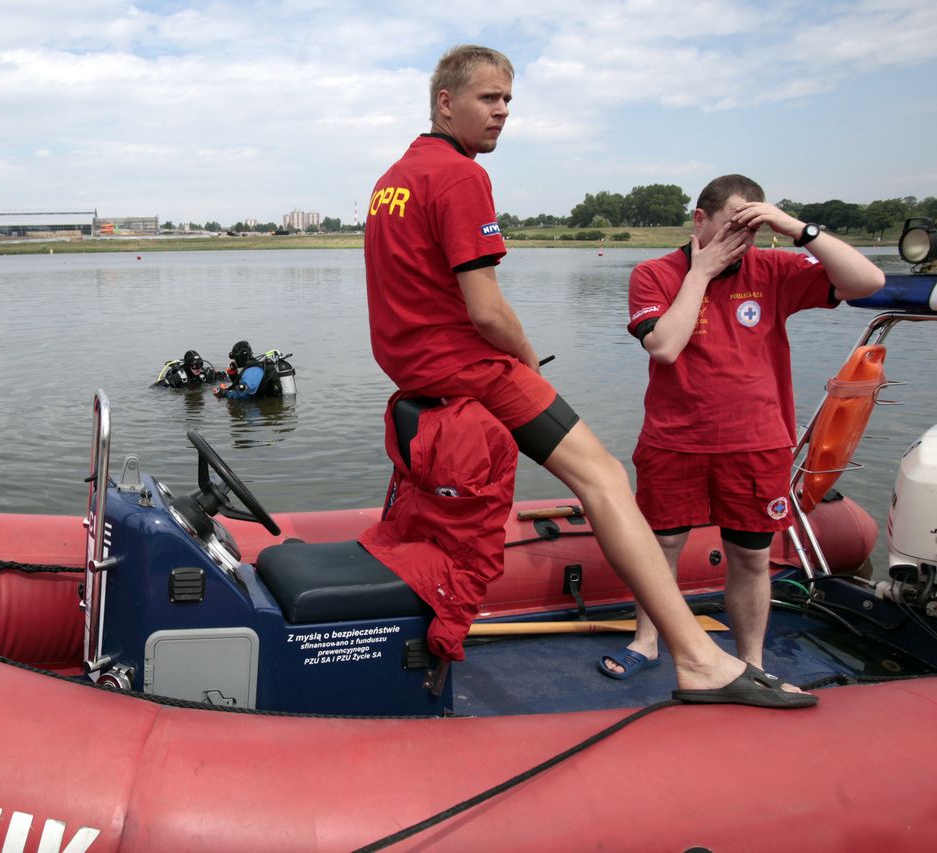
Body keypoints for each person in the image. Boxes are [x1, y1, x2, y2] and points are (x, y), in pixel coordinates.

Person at [364, 44, 814, 707]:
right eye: (489, 99)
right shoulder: (460, 177)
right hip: (476, 371)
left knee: (592, 477)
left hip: (420, 377)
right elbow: (486, 311)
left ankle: (676, 646)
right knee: (605, 477)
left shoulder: (390, 181)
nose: (502, 113)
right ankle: (697, 657)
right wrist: (525, 354)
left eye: (508, 100)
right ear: (445, 102)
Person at [602, 174, 885, 679]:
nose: (743, 239)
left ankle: (751, 662)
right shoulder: (654, 273)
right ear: (700, 220)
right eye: (734, 224)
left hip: (757, 442)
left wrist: (795, 226)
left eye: (753, 227)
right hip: (674, 441)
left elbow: (869, 282)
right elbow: (665, 346)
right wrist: (701, 273)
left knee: (751, 558)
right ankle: (646, 642)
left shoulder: (774, 269)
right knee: (661, 548)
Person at [213, 340, 295, 399]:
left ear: (240, 357)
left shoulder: (252, 372)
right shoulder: (255, 368)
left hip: (261, 412)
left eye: (235, 358)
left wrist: (224, 393)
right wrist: (233, 374)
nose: (234, 361)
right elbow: (242, 386)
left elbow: (241, 395)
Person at [155, 349, 222, 388]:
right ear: (188, 365)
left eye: (200, 365)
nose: (198, 368)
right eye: (194, 366)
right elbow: (156, 388)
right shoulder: (177, 378)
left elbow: (225, 378)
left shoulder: (205, 373)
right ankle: (175, 365)